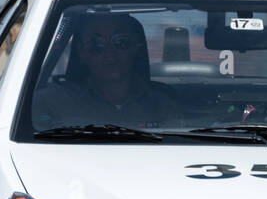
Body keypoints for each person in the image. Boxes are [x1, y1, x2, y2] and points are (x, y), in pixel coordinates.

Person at [35, 12, 177, 129]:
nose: (109, 53)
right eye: (96, 44)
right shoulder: (50, 102)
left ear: (136, 47)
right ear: (81, 52)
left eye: (121, 41)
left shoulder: (162, 106)